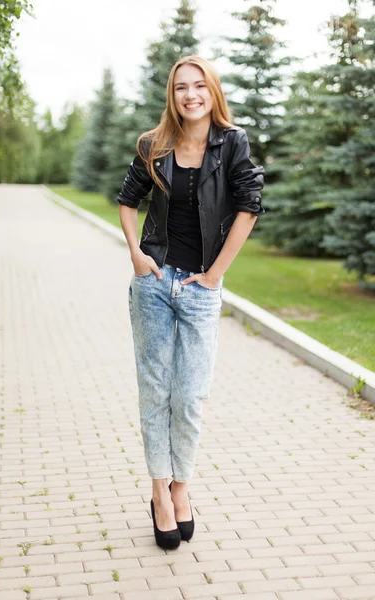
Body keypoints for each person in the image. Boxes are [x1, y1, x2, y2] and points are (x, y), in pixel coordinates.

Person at [117, 54, 265, 549]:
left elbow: (249, 205)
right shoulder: (153, 145)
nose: (190, 94)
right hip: (155, 283)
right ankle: (160, 493)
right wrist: (136, 253)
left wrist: (216, 274)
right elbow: (127, 198)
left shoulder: (232, 142)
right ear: (172, 95)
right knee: (155, 390)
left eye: (198, 85)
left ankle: (184, 488)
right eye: (181, 87)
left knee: (192, 396)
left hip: (200, 288)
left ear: (212, 90)